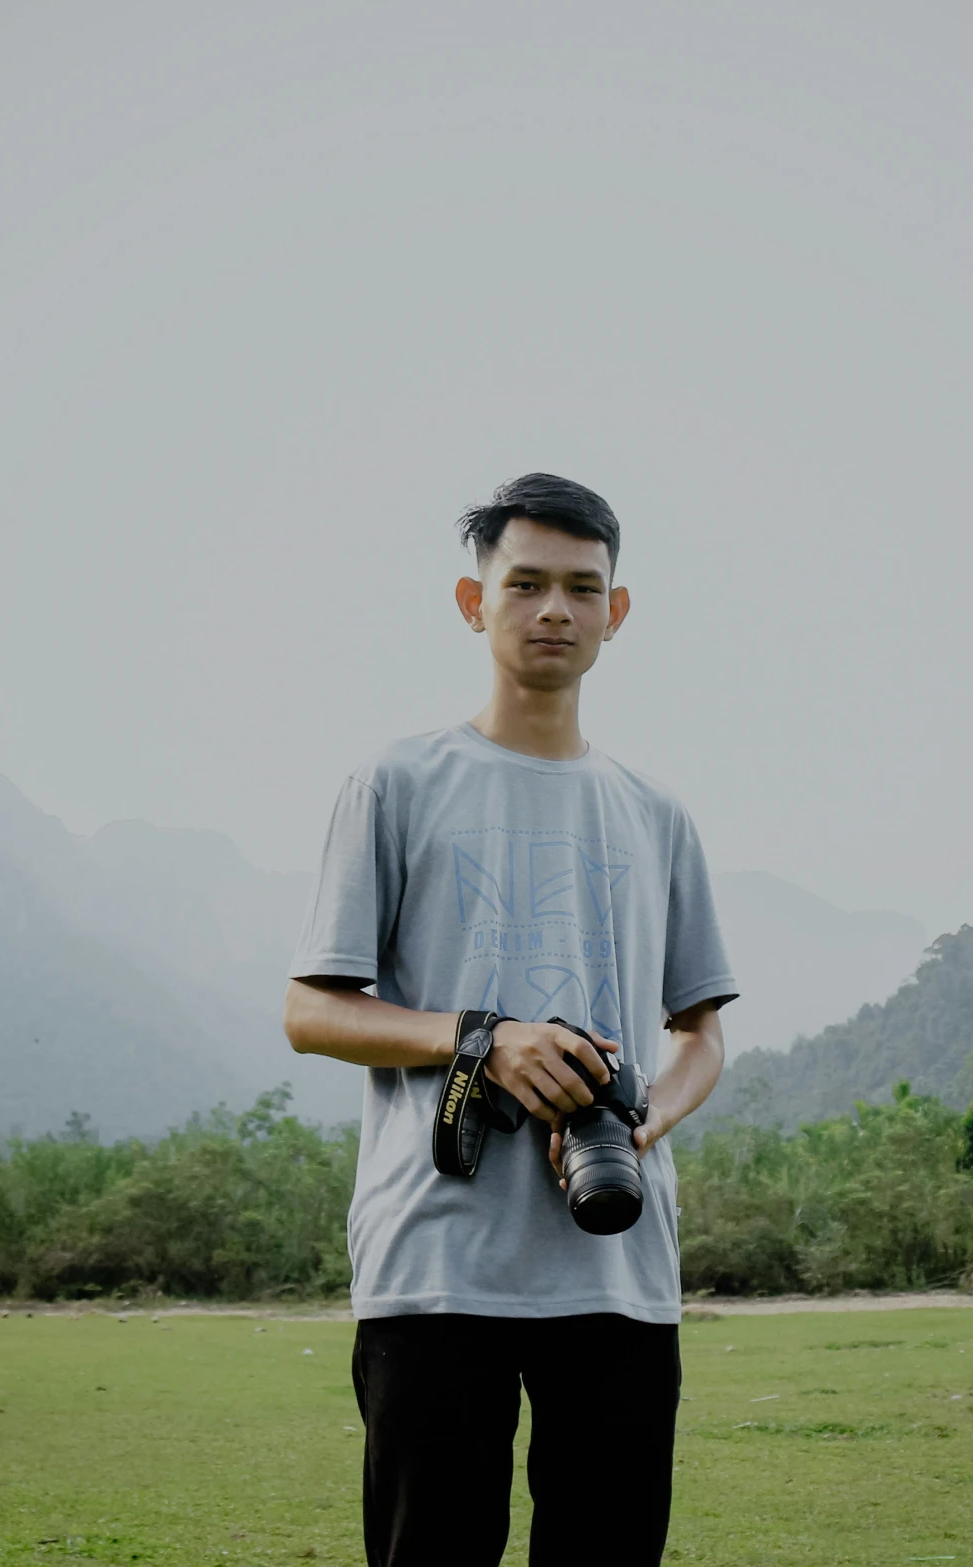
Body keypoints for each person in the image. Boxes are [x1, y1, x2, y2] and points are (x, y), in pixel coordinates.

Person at [285, 473, 738, 1567]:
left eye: (583, 588)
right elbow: (311, 1010)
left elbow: (699, 1036)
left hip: (615, 1258)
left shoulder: (656, 810)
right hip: (435, 1257)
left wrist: (641, 1126)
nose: (554, 610)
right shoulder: (395, 782)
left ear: (615, 613)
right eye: (524, 582)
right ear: (469, 600)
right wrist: (481, 1038)